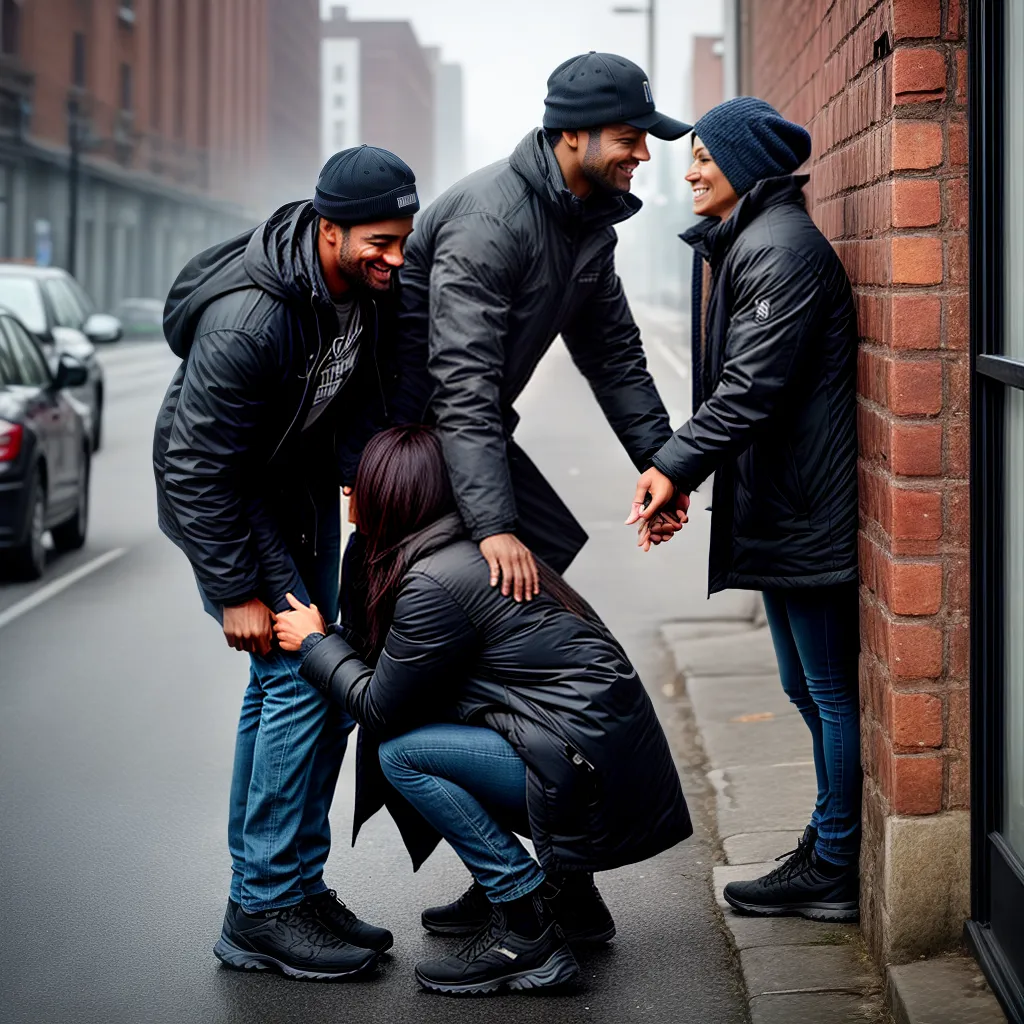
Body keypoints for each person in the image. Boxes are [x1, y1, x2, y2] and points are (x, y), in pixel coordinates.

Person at [273, 424, 692, 995]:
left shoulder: (437, 581)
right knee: (443, 730)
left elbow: (379, 708)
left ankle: (526, 927)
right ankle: (573, 903)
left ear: (391, 496)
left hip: (589, 776)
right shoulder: (473, 548)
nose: (349, 496)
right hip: (601, 764)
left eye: (360, 484)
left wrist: (317, 645)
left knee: (405, 755)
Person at [153, 146, 422, 981]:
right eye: (380, 241)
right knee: (304, 681)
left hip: (286, 499)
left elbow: (353, 391)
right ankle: (265, 906)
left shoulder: (353, 286)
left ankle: (286, 888)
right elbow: (197, 467)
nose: (395, 258)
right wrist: (235, 589)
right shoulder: (250, 319)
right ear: (329, 228)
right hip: (229, 507)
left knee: (301, 687)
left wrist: (357, 469)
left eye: (403, 240)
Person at [628, 97, 861, 922]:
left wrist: (673, 468)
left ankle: (835, 860)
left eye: (702, 156)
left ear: (743, 165)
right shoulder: (751, 244)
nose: (686, 171)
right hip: (782, 503)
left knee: (828, 690)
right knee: (805, 686)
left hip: (807, 507)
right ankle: (830, 844)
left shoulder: (781, 251)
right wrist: (683, 475)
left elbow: (749, 390)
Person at [395, 50, 694, 608]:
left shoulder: (586, 226)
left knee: (532, 574)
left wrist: (662, 464)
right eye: (630, 137)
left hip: (460, 438)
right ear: (576, 134)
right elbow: (464, 383)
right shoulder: (490, 223)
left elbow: (613, 357)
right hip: (406, 445)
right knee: (439, 612)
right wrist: (492, 526)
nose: (644, 154)